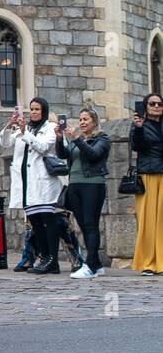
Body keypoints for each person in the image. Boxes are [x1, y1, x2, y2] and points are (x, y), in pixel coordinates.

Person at [0, 97, 65, 275]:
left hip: (43, 182)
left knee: (48, 220)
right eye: (32, 109)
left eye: (37, 109)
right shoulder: (24, 128)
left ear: (44, 111)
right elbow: (5, 143)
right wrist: (9, 126)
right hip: (26, 183)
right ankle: (44, 256)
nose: (34, 112)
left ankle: (53, 259)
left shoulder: (50, 128)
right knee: (35, 223)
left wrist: (25, 133)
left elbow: (44, 147)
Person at [57, 107, 110, 278]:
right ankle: (97, 264)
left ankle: (90, 266)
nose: (82, 122)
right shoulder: (76, 140)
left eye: (85, 119)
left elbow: (93, 155)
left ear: (94, 122)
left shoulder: (102, 139)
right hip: (75, 185)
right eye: (80, 119)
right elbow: (63, 154)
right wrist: (59, 139)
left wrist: (78, 139)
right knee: (83, 226)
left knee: (90, 224)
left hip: (93, 184)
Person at [131, 92, 163, 275]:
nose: (156, 107)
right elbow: (137, 146)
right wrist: (139, 128)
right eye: (152, 104)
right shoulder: (139, 125)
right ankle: (149, 263)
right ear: (146, 106)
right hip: (149, 175)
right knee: (148, 222)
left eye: (159, 104)